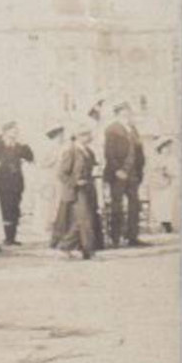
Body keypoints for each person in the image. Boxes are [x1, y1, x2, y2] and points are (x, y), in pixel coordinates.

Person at [103, 97, 147, 247]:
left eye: (129, 113)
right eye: (124, 113)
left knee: (135, 205)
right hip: (118, 174)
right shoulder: (112, 129)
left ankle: (132, 237)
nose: (128, 115)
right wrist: (117, 170)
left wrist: (140, 170)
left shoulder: (133, 129)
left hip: (133, 173)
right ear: (118, 114)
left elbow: (139, 151)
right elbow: (109, 153)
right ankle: (115, 238)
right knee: (117, 206)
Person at [55, 126, 102, 260]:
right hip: (76, 191)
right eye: (85, 135)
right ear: (77, 136)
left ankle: (66, 247)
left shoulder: (89, 152)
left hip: (88, 189)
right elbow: (61, 174)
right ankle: (89, 251)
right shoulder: (71, 151)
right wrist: (75, 182)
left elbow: (93, 168)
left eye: (88, 134)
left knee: (81, 221)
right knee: (85, 220)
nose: (88, 137)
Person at [0, 121, 35, 246]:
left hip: (17, 181)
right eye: (13, 130)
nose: (16, 133)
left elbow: (30, 157)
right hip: (2, 181)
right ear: (5, 131)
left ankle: (11, 237)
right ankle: (4, 237)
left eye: (16, 131)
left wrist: (25, 145)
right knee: (4, 208)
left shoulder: (19, 146)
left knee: (14, 208)